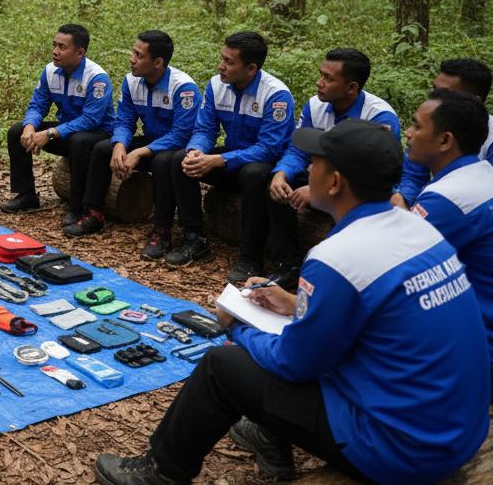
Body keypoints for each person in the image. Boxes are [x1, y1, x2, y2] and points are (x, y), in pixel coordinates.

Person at [95, 119, 490, 485]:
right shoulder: (416, 230)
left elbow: (295, 364)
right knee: (289, 338)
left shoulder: (338, 255)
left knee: (223, 366)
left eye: (314, 163)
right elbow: (373, 314)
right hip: (456, 430)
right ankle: (270, 438)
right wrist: (294, 302)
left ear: (334, 182)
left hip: (399, 450)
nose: (307, 171)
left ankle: (161, 471)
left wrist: (237, 325)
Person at [164, 31, 294, 283]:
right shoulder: (216, 85)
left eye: (229, 62)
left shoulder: (276, 95)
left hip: (264, 163)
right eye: (222, 58)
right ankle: (194, 238)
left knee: (254, 174)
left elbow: (268, 148)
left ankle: (251, 256)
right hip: (232, 156)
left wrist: (218, 160)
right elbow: (205, 129)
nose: (221, 66)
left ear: (251, 68)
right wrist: (196, 151)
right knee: (181, 159)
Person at [267, 49, 400, 287]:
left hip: (360, 190)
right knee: (279, 189)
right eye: (321, 75)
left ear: (351, 87)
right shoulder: (315, 106)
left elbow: (376, 172)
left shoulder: (379, 116)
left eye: (328, 79)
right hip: (326, 179)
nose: (320, 83)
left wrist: (317, 189)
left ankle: (345, 275)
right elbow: (298, 150)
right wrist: (281, 173)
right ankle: (288, 265)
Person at [76, 30, 199, 255]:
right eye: (133, 52)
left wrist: (141, 152)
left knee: (161, 161)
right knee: (104, 148)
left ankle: (162, 231)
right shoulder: (132, 81)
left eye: (139, 55)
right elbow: (124, 120)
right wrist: (121, 145)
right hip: (150, 142)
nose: (132, 59)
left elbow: (181, 134)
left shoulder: (183, 88)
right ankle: (93, 212)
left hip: (176, 147)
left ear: (158, 62)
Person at [404, 89, 493, 380]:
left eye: (417, 126)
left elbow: (389, 270)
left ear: (445, 140)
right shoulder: (482, 174)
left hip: (471, 343)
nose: (408, 132)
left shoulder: (448, 198)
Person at [0, 24, 115, 236]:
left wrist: (50, 133)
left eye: (62, 47)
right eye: (54, 45)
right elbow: (38, 104)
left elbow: (90, 119)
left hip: (97, 136)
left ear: (79, 52)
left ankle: (76, 207)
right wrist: (30, 127)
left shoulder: (97, 78)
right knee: (16, 131)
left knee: (79, 141)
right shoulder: (50, 71)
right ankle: (27, 195)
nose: (55, 51)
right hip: (66, 132)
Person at [395, 57, 493, 206]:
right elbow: (413, 175)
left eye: (444, 94)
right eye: (434, 90)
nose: (433, 98)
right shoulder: (431, 125)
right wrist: (404, 200)